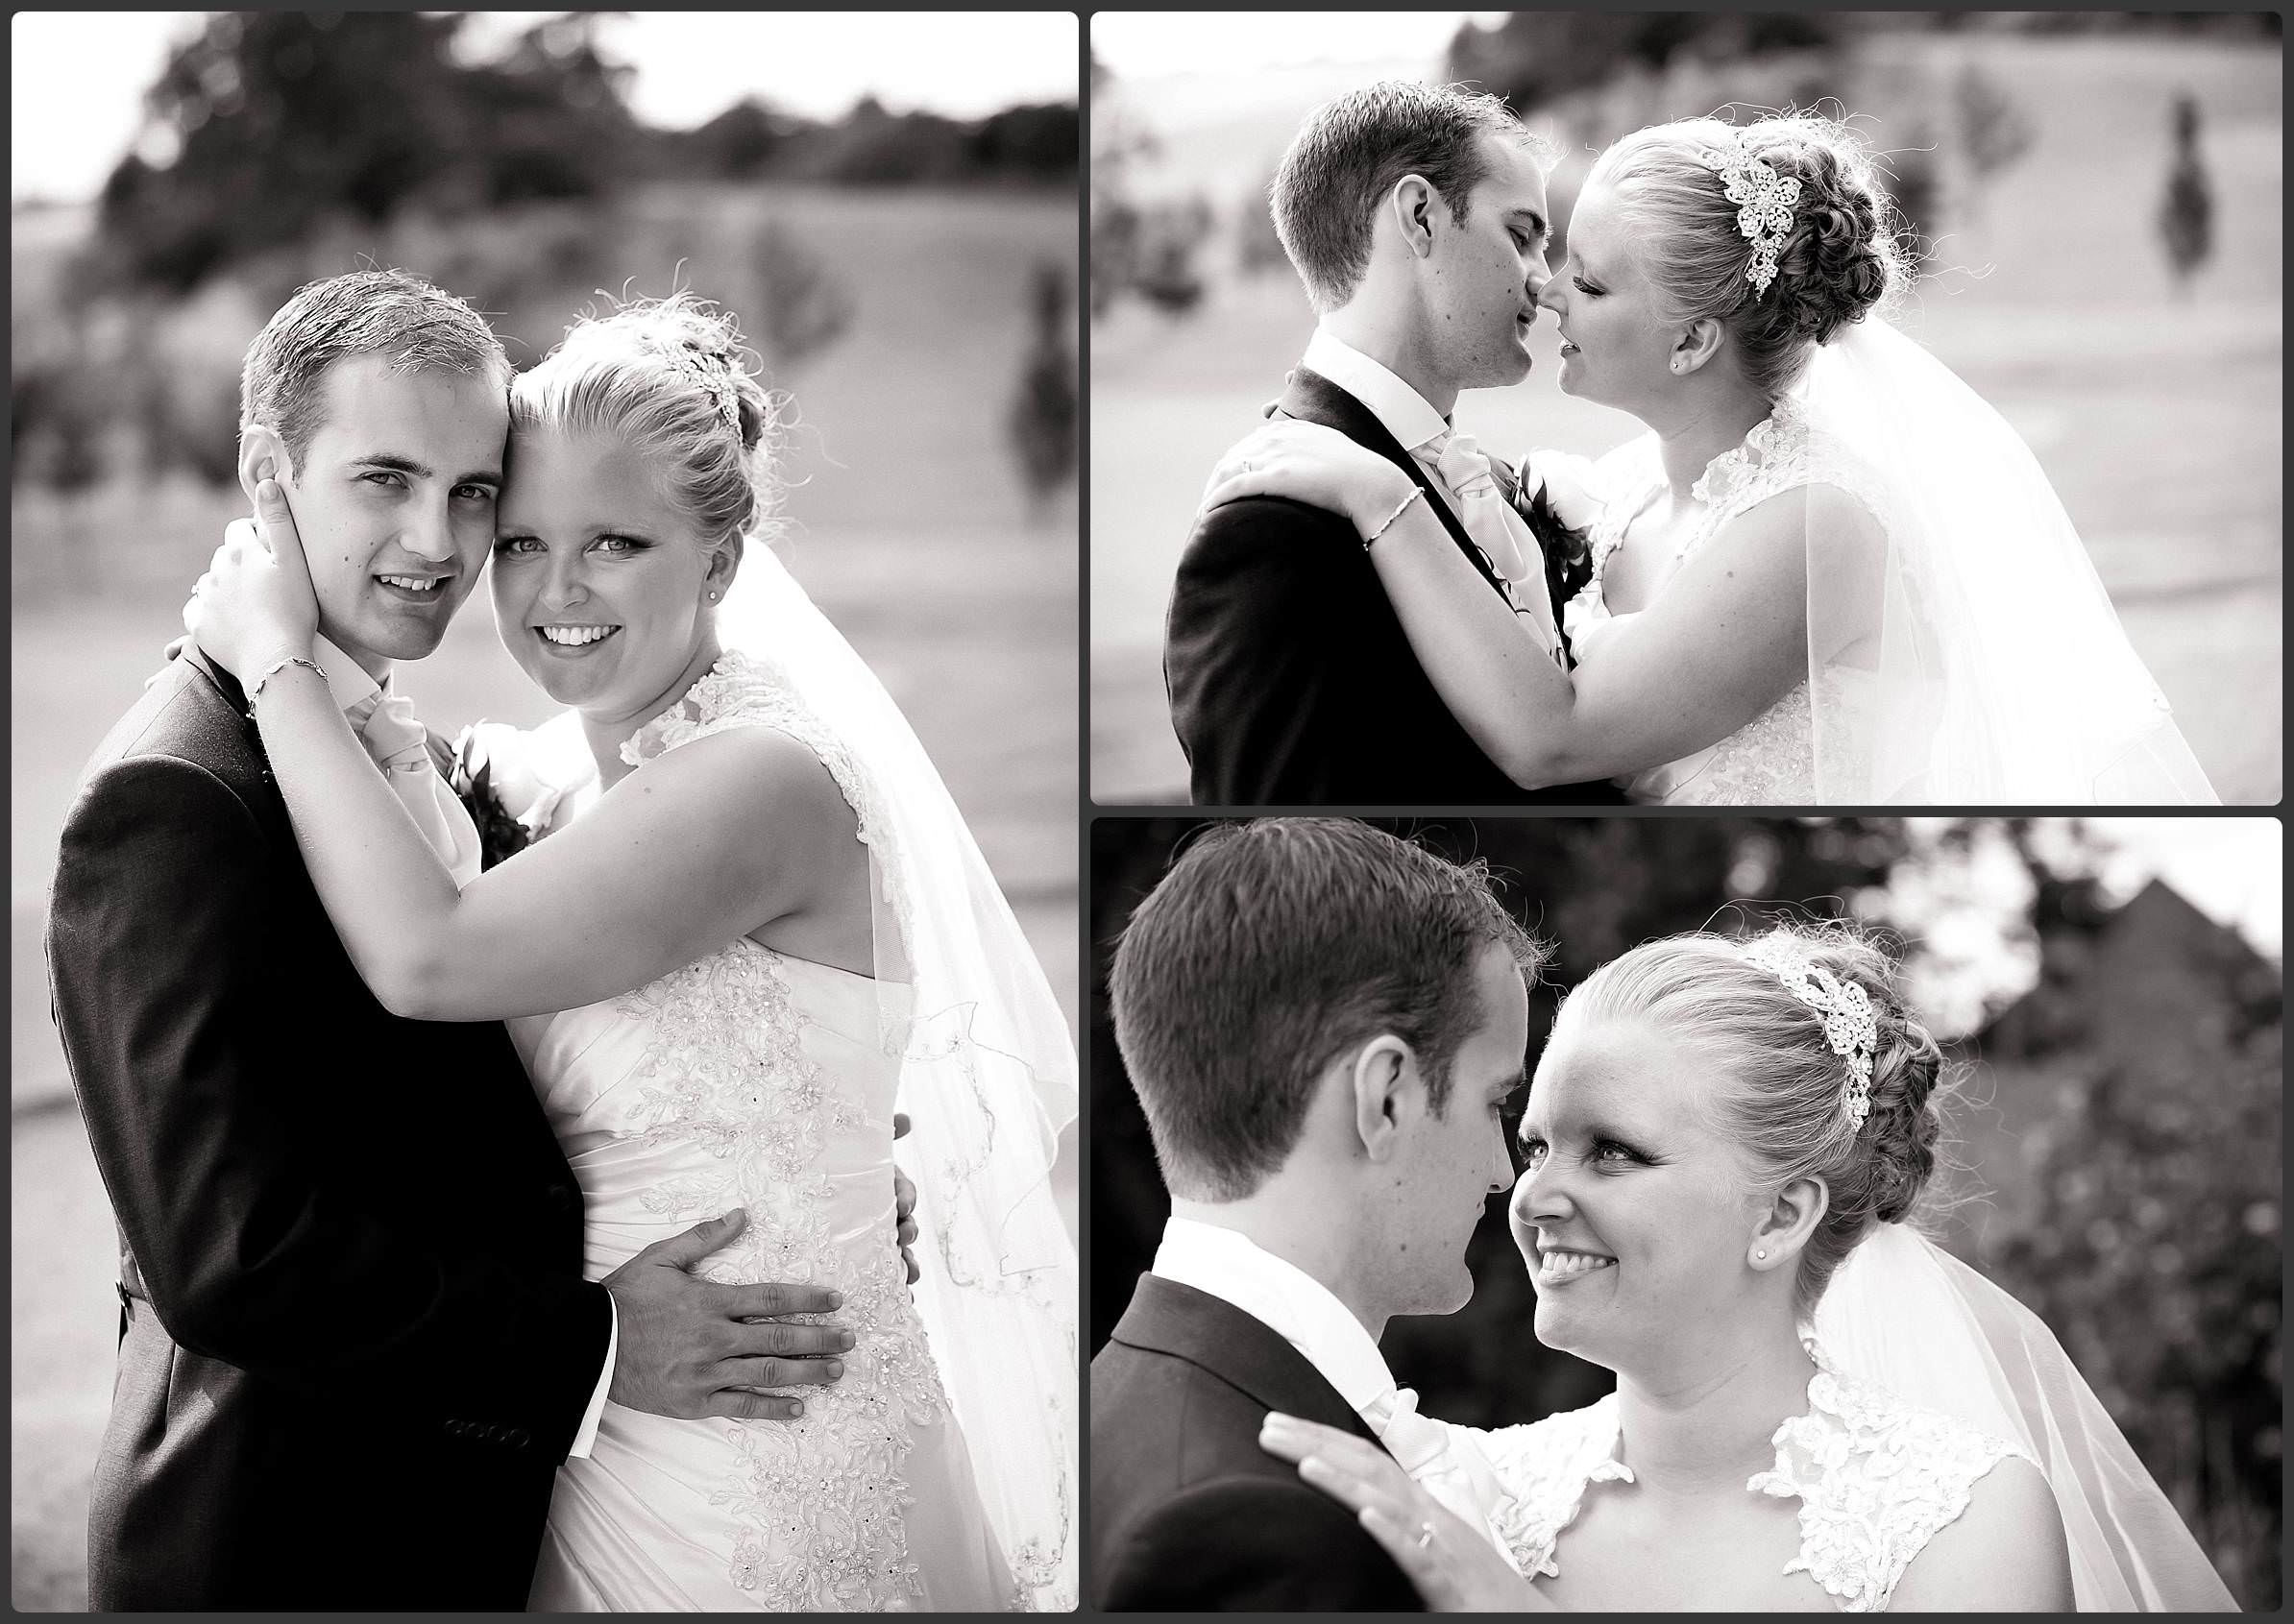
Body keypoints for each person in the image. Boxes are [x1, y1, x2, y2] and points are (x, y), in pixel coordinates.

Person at [178, 291, 1078, 1609]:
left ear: (721, 558)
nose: (556, 590)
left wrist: (272, 660)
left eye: (617, 541)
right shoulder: (552, 781)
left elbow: (429, 958)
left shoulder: (762, 779)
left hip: (771, 1456)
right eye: (523, 535)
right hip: (613, 1425)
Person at [45, 271, 867, 1611]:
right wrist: (594, 1344)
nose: (438, 537)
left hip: (476, 1520)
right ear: (270, 472)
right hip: (289, 1541)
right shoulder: (177, 796)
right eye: (384, 478)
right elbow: (234, 1256)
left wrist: (808, 1160)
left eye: (473, 488)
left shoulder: (410, 753)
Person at [1207, 112, 2220, 805]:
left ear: (1693, 341)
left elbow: (1554, 735)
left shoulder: (1819, 524)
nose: (1549, 293)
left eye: (1591, 283)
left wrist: (1375, 485)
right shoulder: (1619, 495)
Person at [1257, 925, 2240, 1612]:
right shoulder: (1467, 1492)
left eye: (1612, 1151)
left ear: (1780, 1213)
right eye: (1536, 1143)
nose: (1536, 1195)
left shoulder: (1962, 1518)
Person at [1091, 818, 1551, 1611]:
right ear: (1385, 1096)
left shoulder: (1109, 1404)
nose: (1504, 1172)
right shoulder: (1247, 1531)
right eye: (1495, 1102)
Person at [1163, 82, 1623, 807]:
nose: (1545, 280)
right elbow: (1280, 863)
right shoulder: (1269, 530)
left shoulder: (1494, 486)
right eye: (1523, 234)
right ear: (1420, 217)